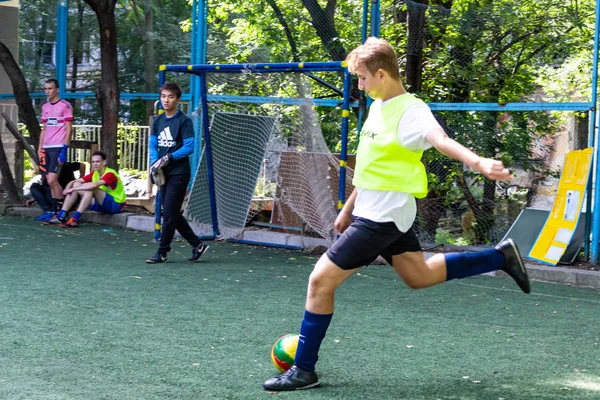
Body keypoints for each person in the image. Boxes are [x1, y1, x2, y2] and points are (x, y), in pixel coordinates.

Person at [262, 37, 531, 392]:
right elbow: (375, 166)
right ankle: (501, 257)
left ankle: (304, 370)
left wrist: (478, 162)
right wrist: (349, 207)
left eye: (361, 78)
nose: (358, 84)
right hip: (375, 212)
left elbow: (440, 140)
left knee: (319, 282)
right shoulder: (378, 105)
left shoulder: (412, 111)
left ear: (382, 74)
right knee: (418, 276)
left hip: (383, 218)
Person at [145, 82, 209, 264]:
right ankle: (198, 245)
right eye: (163, 96)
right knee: (171, 212)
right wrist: (154, 164)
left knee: (169, 213)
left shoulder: (184, 121)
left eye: (171, 96)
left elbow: (189, 147)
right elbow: (153, 145)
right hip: (163, 173)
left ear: (178, 99)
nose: (166, 100)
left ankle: (162, 251)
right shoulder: (158, 121)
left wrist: (168, 159)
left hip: (179, 173)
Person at [44, 151, 125, 228]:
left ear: (104, 162)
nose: (95, 164)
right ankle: (61, 216)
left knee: (91, 188)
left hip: (115, 206)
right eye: (93, 162)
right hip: (102, 205)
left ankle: (75, 218)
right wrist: (68, 187)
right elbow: (75, 181)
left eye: (98, 161)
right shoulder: (95, 173)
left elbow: (94, 185)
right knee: (76, 184)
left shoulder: (110, 173)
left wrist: (73, 189)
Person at [38, 78, 73, 214]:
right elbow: (44, 129)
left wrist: (64, 149)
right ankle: (54, 212)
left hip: (58, 147)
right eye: (45, 88)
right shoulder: (45, 107)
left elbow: (69, 129)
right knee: (49, 180)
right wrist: (40, 148)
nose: (47, 91)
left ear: (57, 89)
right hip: (46, 147)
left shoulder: (65, 106)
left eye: (50, 88)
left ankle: (63, 211)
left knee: (53, 180)